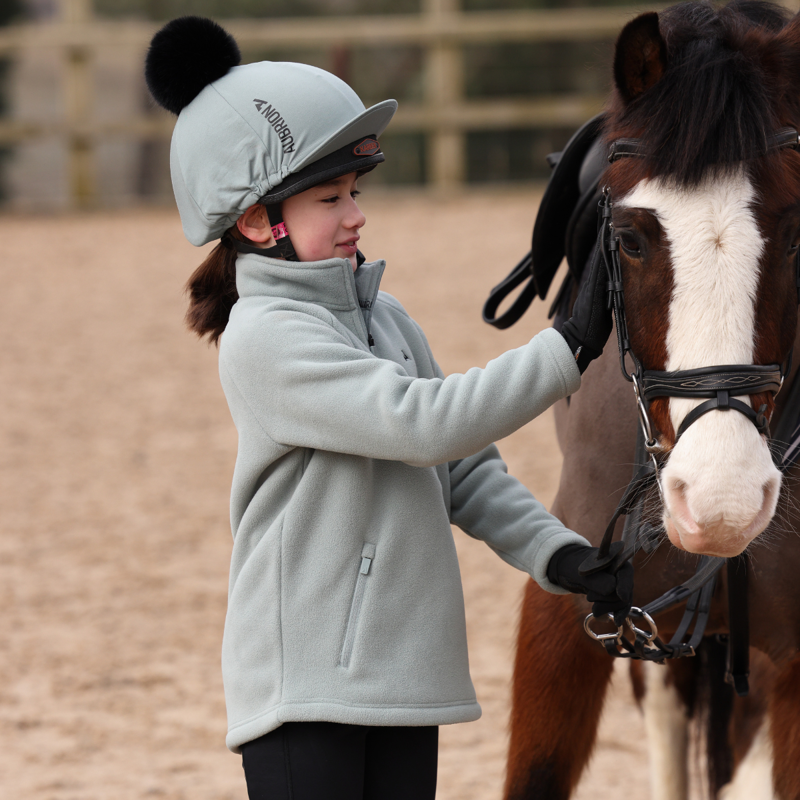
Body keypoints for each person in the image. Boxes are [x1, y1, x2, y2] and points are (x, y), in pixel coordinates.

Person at [145, 16, 633, 800]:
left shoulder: (385, 316)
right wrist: (569, 348)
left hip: (403, 679)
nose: (355, 213)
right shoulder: (265, 338)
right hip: (307, 693)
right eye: (328, 198)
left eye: (355, 192)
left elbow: (463, 467)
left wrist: (559, 555)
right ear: (254, 221)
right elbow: (423, 422)